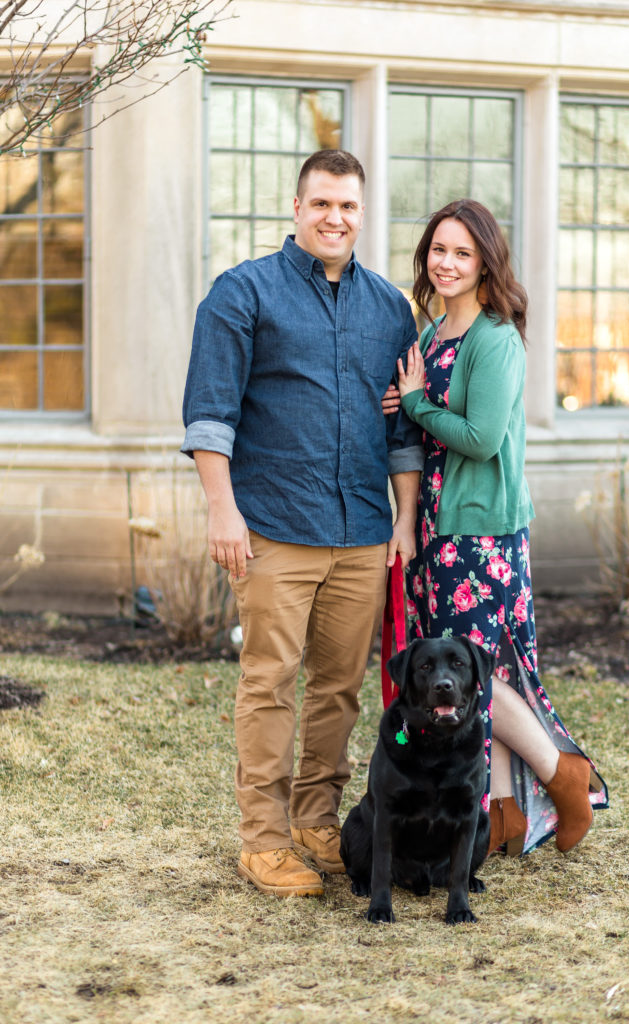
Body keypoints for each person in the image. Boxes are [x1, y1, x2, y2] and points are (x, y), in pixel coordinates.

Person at [181, 150, 423, 897]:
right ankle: (262, 840)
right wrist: (223, 509)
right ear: (296, 208)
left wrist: (405, 520)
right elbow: (210, 415)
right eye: (322, 204)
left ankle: (317, 822)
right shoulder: (241, 293)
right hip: (276, 528)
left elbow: (401, 433)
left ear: (361, 213)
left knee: (339, 690)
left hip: (360, 531)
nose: (335, 218)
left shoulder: (390, 308)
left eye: (348, 207)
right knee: (269, 685)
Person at [391, 198, 608, 856]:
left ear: (485, 260)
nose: (448, 263)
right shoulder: (432, 338)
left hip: (482, 534)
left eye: (462, 252)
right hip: (437, 527)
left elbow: (481, 439)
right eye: (439, 250)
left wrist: (417, 403)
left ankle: (564, 775)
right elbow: (418, 417)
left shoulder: (496, 337)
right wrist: (406, 403)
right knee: (476, 669)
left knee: (485, 675)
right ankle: (503, 816)